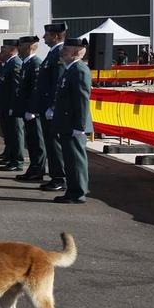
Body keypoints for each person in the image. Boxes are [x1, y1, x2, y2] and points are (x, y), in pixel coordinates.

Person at [50, 37, 92, 204]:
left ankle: (77, 193)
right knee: (70, 159)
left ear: (75, 52)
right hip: (67, 122)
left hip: (74, 124)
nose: (62, 52)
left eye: (66, 50)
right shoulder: (70, 69)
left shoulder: (80, 70)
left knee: (75, 159)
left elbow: (82, 100)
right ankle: (72, 190)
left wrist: (80, 125)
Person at [34, 23, 69, 193]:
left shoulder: (60, 54)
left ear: (55, 36)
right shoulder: (53, 53)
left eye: (46, 34)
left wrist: (54, 106)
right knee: (50, 143)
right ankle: (56, 176)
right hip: (46, 107)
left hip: (52, 109)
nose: (43, 38)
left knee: (55, 144)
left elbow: (59, 82)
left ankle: (60, 178)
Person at [12, 35, 45, 181]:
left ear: (29, 47)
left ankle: (38, 170)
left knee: (37, 141)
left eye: (21, 45)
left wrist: (32, 110)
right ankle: (34, 168)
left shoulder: (35, 63)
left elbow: (36, 89)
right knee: (31, 140)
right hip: (26, 109)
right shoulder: (27, 63)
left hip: (33, 111)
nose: (18, 48)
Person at [0, 39, 27, 172]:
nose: (1, 51)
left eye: (4, 48)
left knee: (16, 133)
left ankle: (17, 160)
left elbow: (17, 88)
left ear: (11, 50)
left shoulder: (16, 64)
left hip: (12, 106)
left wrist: (13, 106)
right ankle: (9, 155)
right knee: (9, 133)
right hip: (5, 105)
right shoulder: (8, 64)